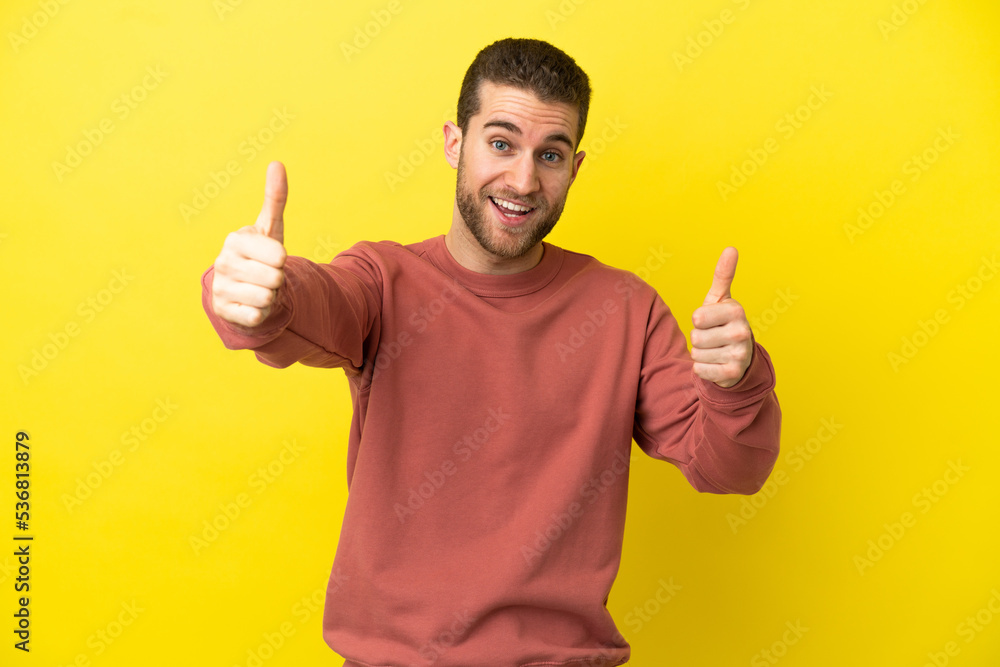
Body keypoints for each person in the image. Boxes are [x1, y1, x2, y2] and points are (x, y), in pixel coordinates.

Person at [201, 37, 780, 667]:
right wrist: (258, 294)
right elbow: (309, 309)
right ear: (455, 142)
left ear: (575, 168)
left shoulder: (625, 310)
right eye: (500, 144)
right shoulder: (383, 280)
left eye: (550, 155)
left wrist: (737, 381)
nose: (523, 180)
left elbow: (729, 468)